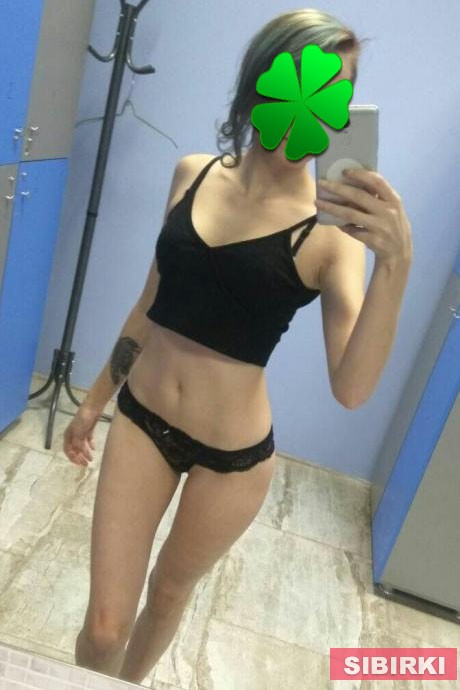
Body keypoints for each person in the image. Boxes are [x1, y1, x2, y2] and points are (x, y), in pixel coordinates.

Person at [63, 8, 413, 685]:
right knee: (104, 626)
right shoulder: (192, 174)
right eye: (304, 79)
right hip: (141, 421)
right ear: (262, 81)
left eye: (337, 92)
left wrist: (395, 265)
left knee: (169, 592)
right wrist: (94, 399)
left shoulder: (330, 235)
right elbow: (149, 302)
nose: (317, 104)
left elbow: (351, 388)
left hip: (234, 459)